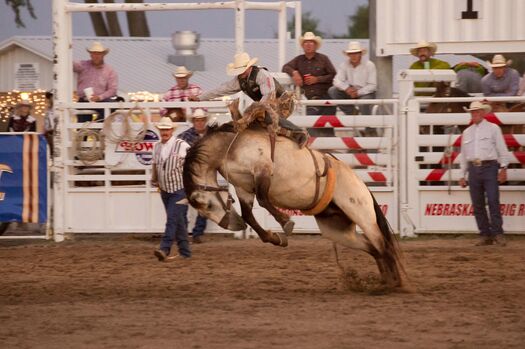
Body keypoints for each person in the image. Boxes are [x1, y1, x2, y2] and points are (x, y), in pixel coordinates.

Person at [192, 52, 307, 144]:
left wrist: (255, 112)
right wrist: (200, 97)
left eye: (241, 70)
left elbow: (268, 96)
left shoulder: (262, 75)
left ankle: (299, 133)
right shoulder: (240, 80)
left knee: (268, 119)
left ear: (249, 67)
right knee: (257, 124)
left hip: (283, 102)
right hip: (264, 105)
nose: (240, 73)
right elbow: (221, 90)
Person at [459, 101, 511, 246]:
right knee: (478, 204)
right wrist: (462, 175)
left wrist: (503, 168)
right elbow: (464, 155)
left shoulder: (493, 129)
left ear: (482, 113)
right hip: (473, 168)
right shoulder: (467, 132)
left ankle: (497, 233)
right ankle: (485, 234)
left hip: (490, 167)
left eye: (476, 111)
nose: (474, 114)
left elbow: (502, 149)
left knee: (493, 200)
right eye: (472, 112)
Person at [151, 117, 192, 262]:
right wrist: (154, 178)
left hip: (180, 189)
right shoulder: (156, 147)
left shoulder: (182, 145)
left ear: (172, 130)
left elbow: (192, 165)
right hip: (165, 190)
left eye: (167, 129)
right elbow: (155, 164)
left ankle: (164, 248)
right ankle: (185, 252)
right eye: (162, 129)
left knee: (172, 219)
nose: (164, 132)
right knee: (178, 221)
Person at [282, 32, 336, 115]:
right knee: (310, 120)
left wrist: (317, 79)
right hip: (307, 99)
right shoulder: (298, 60)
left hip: (324, 97)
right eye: (306, 42)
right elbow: (285, 67)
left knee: (328, 123)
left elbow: (333, 75)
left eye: (311, 42)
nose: (308, 44)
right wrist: (294, 72)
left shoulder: (323, 59)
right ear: (303, 45)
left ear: (315, 45)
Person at [176, 108, 208, 243]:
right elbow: (176, 150)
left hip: (204, 173)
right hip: (188, 174)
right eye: (197, 120)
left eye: (201, 120)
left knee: (203, 203)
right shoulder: (185, 136)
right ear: (193, 121)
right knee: (183, 202)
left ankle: (197, 233)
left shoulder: (210, 135)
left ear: (205, 121)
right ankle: (183, 233)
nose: (199, 123)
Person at [328, 41, 377, 115]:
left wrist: (358, 92)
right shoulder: (344, 64)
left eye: (356, 53)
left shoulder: (369, 65)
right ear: (348, 55)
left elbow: (372, 85)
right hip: (351, 91)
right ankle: (353, 113)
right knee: (332, 91)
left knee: (363, 103)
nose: (353, 55)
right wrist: (347, 89)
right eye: (351, 53)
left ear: (360, 54)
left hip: (366, 92)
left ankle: (368, 124)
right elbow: (336, 80)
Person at [73, 41, 119, 121]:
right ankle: (90, 129)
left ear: (103, 55)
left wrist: (99, 97)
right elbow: (68, 63)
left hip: (101, 101)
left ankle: (96, 128)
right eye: (94, 53)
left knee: (111, 106)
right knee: (82, 126)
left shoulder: (110, 70)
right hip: (84, 99)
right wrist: (68, 47)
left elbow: (113, 89)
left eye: (98, 53)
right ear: (90, 54)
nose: (96, 56)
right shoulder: (82, 65)